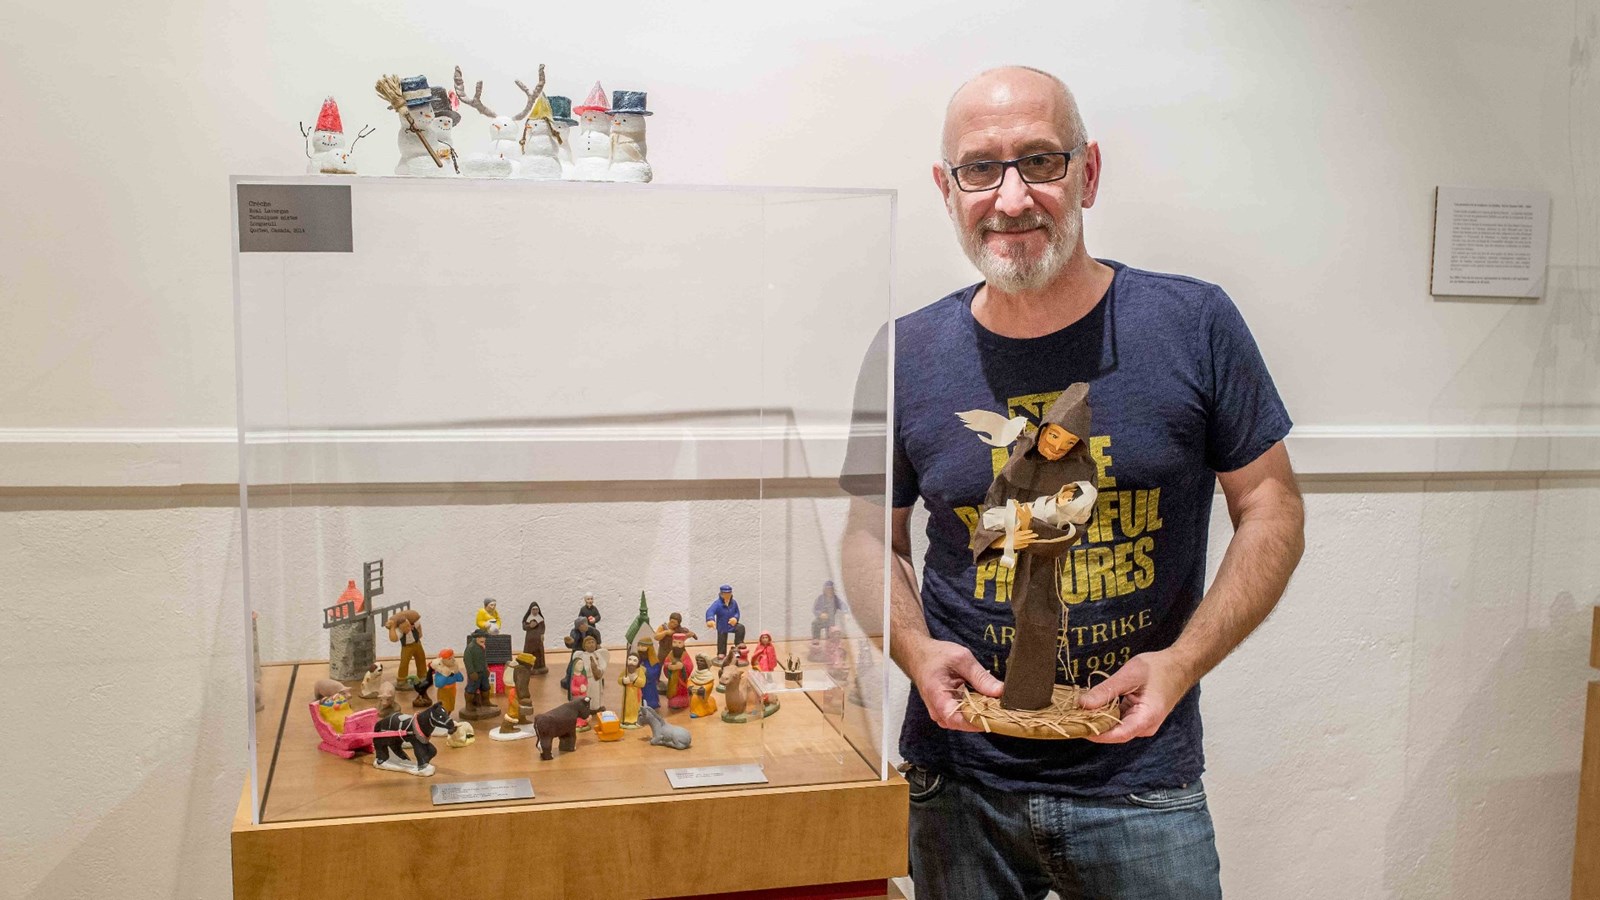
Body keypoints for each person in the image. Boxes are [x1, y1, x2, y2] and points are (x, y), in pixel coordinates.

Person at [840, 66, 1305, 900]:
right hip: (959, 782)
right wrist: (914, 650)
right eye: (981, 169)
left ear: (1087, 172)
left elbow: (1271, 505)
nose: (1012, 197)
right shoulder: (906, 351)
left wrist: (1181, 662)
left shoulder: (1193, 323)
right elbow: (873, 534)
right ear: (947, 189)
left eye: (1040, 161)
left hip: (1140, 780)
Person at [705, 584, 745, 656]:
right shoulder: (717, 604)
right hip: (722, 625)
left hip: (731, 624)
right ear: (721, 594)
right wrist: (710, 619)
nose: (727, 595)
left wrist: (735, 618)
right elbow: (710, 611)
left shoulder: (734, 603)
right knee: (722, 639)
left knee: (740, 628)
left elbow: (737, 612)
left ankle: (738, 644)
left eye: (729, 593)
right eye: (725, 593)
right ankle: (721, 653)